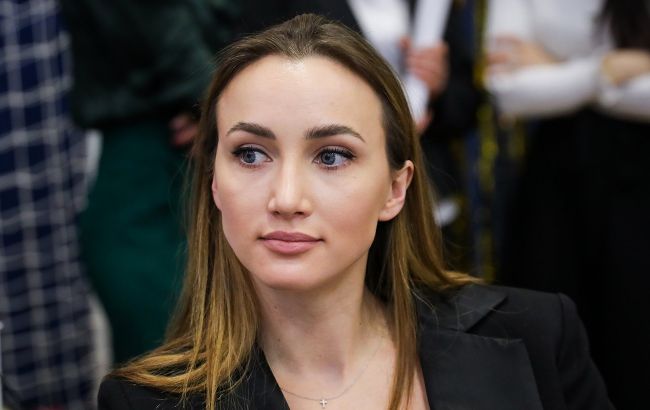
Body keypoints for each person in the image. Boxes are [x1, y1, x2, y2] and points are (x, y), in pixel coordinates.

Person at [97, 14, 611, 409]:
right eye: (250, 154)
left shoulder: (538, 336)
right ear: (214, 181)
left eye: (331, 157)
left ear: (395, 189)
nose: (287, 199)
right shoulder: (143, 403)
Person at [485, 1, 650, 406]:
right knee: (549, 343)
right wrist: (607, 69)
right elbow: (509, 91)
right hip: (560, 185)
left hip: (640, 186)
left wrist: (558, 71)